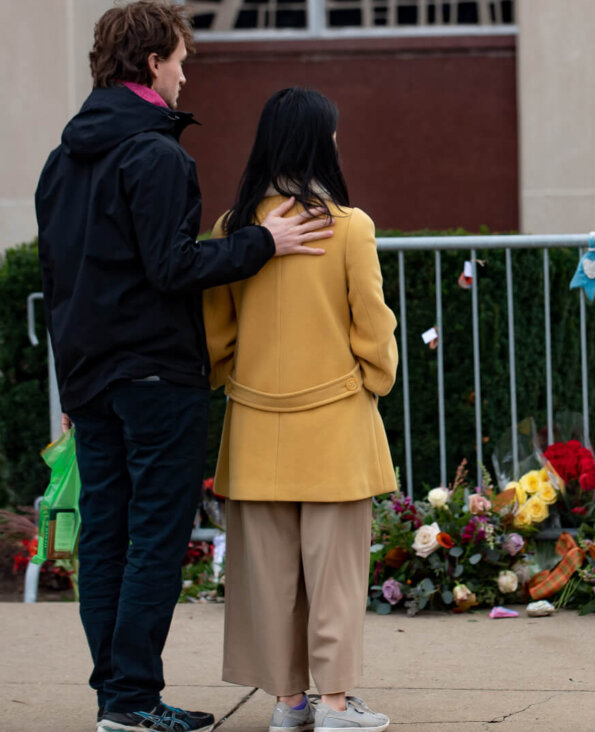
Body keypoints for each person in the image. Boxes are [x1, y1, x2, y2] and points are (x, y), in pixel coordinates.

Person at [34, 3, 333, 730]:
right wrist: (262, 241)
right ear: (151, 65)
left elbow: (62, 277)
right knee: (155, 538)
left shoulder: (61, 161)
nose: (185, 72)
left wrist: (72, 382)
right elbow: (172, 268)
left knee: (104, 534)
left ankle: (117, 700)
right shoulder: (158, 156)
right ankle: (131, 701)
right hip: (156, 377)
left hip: (90, 377)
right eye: (180, 58)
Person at [204, 87, 398, 732]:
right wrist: (375, 378)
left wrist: (244, 379)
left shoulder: (232, 232)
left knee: (270, 582)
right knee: (336, 578)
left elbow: (217, 341)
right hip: (336, 427)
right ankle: (337, 706)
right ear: (320, 141)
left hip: (256, 430)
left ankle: (289, 705)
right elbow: (371, 326)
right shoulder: (351, 226)